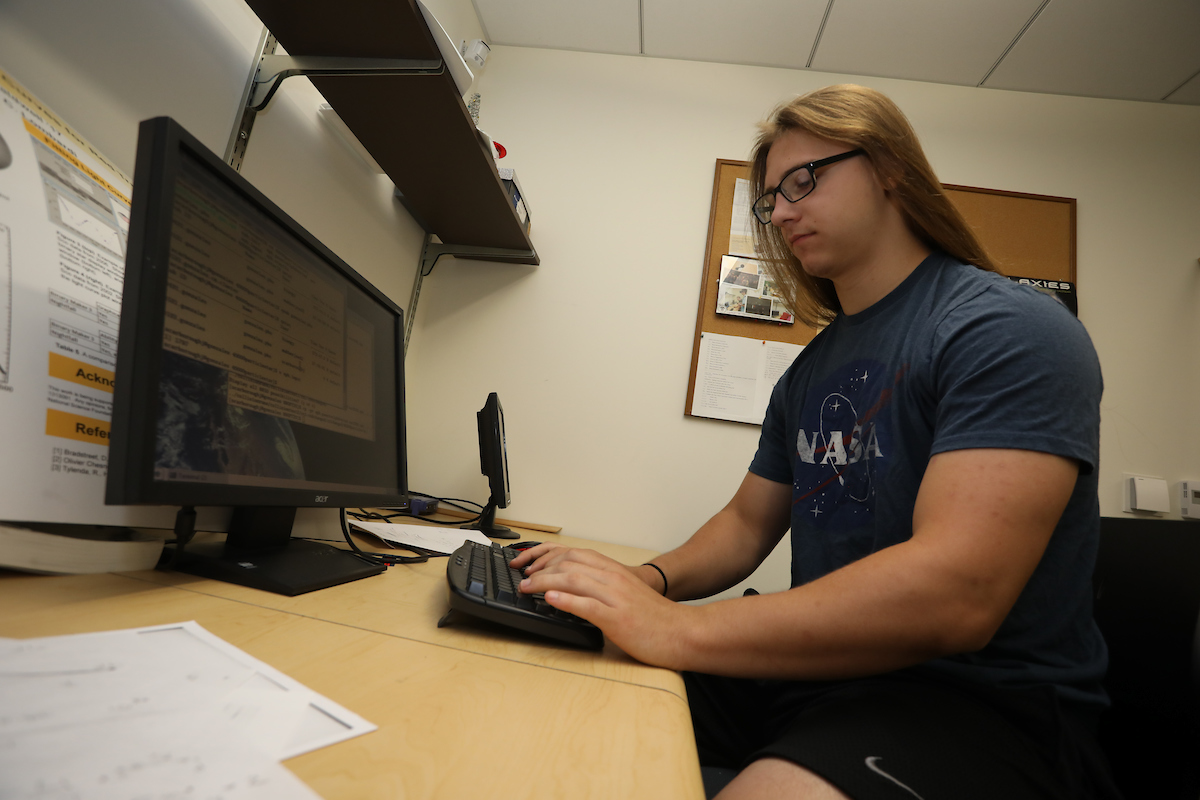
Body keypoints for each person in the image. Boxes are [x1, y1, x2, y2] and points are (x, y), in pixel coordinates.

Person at [509, 84, 1118, 800]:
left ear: (890, 168)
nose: (784, 210)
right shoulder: (811, 370)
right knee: (556, 682)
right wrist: (643, 585)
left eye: (805, 180)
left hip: (977, 705)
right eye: (771, 199)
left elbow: (958, 595)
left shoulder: (1007, 329)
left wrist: (677, 631)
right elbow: (744, 527)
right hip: (823, 676)